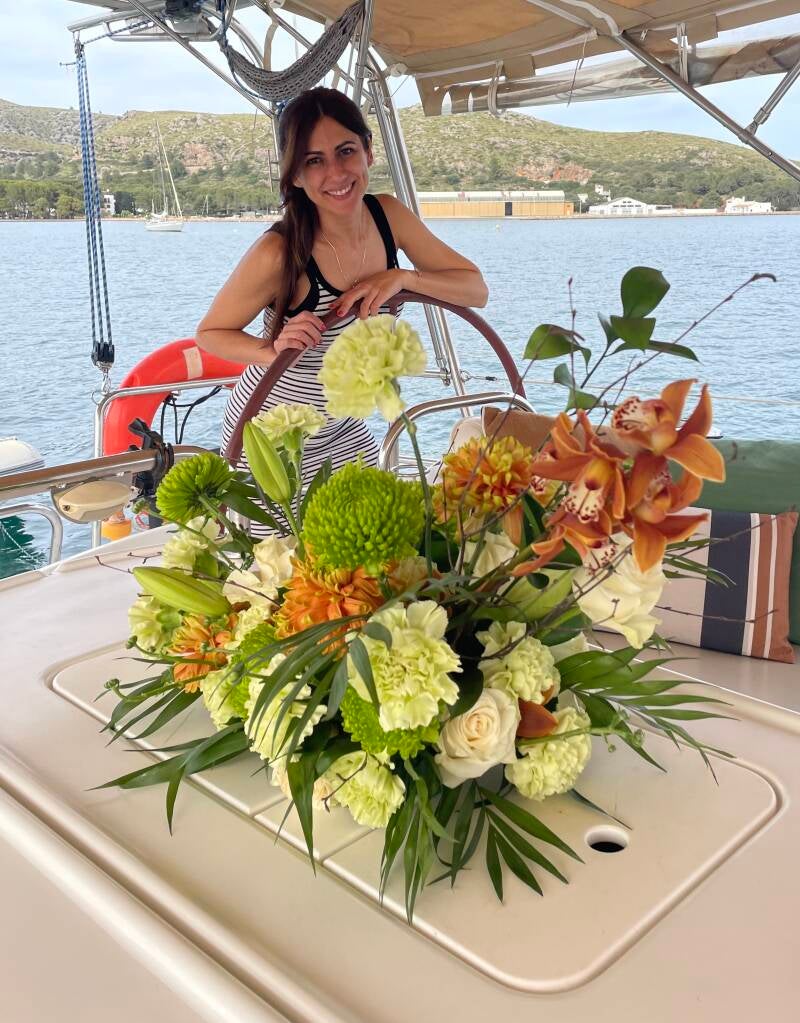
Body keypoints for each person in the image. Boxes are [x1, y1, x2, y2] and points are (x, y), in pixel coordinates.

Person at [196, 87, 488, 530]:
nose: (335, 173)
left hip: (343, 426)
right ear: (296, 175)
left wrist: (404, 277)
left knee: (379, 537)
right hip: (276, 434)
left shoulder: (388, 216)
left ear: (368, 151)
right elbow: (210, 333)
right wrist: (270, 349)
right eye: (314, 160)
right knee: (289, 560)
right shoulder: (280, 252)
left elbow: (474, 290)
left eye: (345, 151)